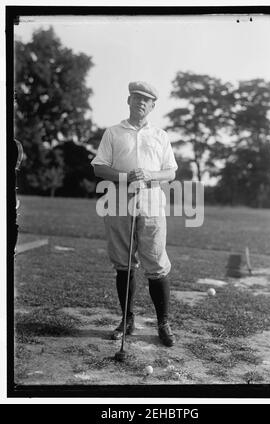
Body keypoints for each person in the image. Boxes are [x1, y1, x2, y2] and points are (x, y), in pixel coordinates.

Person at [91, 81, 178, 347]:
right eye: (136, 97)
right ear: (128, 100)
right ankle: (127, 320)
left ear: (152, 106)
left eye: (146, 100)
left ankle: (163, 323)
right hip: (118, 201)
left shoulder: (161, 136)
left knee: (156, 263)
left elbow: (171, 172)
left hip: (151, 204)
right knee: (123, 263)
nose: (140, 102)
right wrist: (125, 176)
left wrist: (150, 174)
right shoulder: (113, 133)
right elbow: (99, 168)